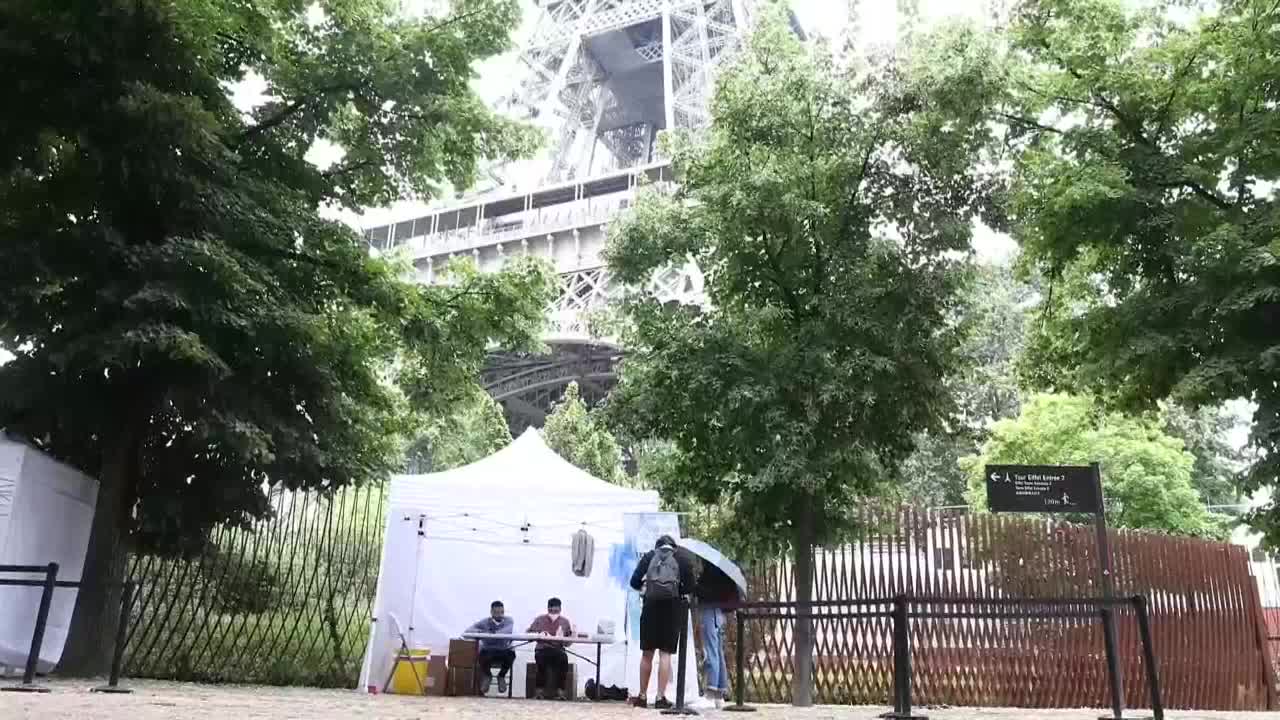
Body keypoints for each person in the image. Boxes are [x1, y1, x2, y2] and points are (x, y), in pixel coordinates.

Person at [629, 534, 694, 709]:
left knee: (647, 653)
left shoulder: (649, 557)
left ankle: (642, 696)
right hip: (672, 610)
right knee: (665, 654)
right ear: (674, 546)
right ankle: (660, 697)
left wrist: (646, 587)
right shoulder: (682, 559)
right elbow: (689, 587)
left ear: (657, 546)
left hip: (650, 608)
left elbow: (634, 581)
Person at [693, 562, 739, 708]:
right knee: (718, 652)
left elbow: (708, 593)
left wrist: (696, 587)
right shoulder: (723, 571)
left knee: (711, 651)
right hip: (719, 613)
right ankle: (720, 692)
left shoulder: (712, 572)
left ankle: (711, 692)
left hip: (709, 611)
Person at [526, 597, 574, 700]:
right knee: (541, 661)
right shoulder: (539, 619)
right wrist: (538, 634)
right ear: (548, 609)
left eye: (556, 610)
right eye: (551, 610)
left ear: (560, 609)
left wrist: (570, 636)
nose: (554, 612)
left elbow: (567, 644)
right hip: (542, 648)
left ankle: (561, 692)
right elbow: (529, 634)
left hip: (558, 649)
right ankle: (539, 692)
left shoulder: (565, 622)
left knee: (563, 660)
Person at [464, 600, 515, 695]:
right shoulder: (484, 622)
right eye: (496, 612)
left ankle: (501, 676)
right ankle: (488, 675)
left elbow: (506, 631)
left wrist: (491, 634)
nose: (499, 615)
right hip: (489, 650)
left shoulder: (509, 620)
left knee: (512, 654)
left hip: (503, 650)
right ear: (491, 612)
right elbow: (468, 631)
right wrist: (480, 632)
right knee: (481, 653)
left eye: (501, 612)